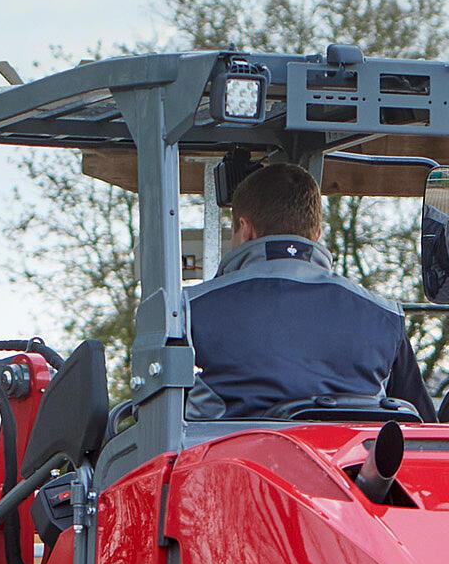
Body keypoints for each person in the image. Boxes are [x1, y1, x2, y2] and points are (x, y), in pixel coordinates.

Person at [185, 160, 432, 421]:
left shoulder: (191, 309)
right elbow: (423, 428)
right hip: (349, 460)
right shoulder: (385, 316)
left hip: (231, 459)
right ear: (316, 234)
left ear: (246, 230)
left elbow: (164, 422)